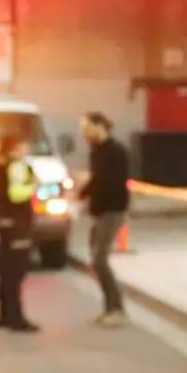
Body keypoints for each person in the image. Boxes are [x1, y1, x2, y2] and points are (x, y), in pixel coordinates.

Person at [77, 111, 131, 327]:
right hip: (98, 212)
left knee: (100, 260)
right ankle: (109, 308)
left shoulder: (116, 152)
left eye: (86, 128)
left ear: (99, 126)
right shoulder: (96, 151)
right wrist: (80, 195)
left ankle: (117, 309)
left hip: (112, 211)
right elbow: (96, 179)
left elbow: (112, 183)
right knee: (96, 261)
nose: (84, 133)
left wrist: (96, 196)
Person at [0, 132, 40, 333]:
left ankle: (4, 314)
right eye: (24, 145)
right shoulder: (18, 166)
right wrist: (34, 184)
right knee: (16, 271)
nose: (27, 149)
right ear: (16, 147)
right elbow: (16, 194)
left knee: (6, 269)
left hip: (4, 222)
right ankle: (15, 317)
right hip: (18, 223)